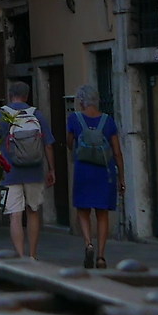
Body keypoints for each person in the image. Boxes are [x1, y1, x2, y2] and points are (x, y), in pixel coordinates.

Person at [0, 80, 54, 261]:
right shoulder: (37, 115)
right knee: (33, 211)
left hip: (10, 173)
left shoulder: (1, 115)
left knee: (15, 216)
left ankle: (20, 256)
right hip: (34, 171)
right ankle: (33, 255)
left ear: (10, 95)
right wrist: (51, 169)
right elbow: (48, 145)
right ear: (27, 96)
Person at [69, 83, 123, 270]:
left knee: (82, 210)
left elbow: (70, 143)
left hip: (83, 170)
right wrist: (121, 178)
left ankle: (88, 243)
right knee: (102, 214)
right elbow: (117, 152)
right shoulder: (108, 121)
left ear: (82, 101)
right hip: (104, 172)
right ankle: (101, 256)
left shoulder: (74, 119)